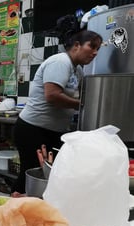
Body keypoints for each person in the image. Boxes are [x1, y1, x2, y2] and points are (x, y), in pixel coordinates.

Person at [11, 27, 103, 196]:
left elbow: (82, 95)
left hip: (52, 131)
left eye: (98, 48)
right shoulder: (60, 62)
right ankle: (13, 206)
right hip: (33, 129)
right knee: (32, 173)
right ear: (77, 45)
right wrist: (80, 105)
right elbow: (52, 95)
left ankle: (36, 209)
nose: (95, 52)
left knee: (50, 174)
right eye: (92, 46)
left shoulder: (78, 70)